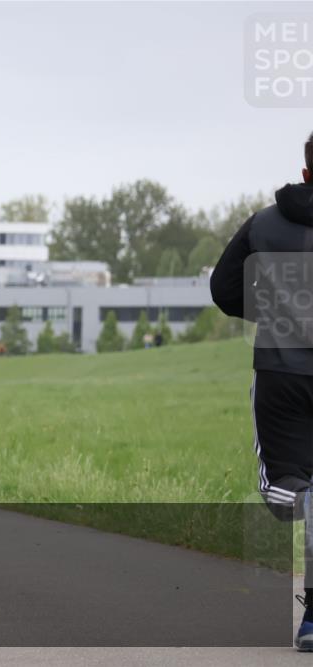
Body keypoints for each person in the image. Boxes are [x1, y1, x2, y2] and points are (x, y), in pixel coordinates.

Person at [210, 130, 313, 652]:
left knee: (288, 489)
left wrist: (274, 313)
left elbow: (224, 291)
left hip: (280, 372)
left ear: (306, 171)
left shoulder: (263, 223)